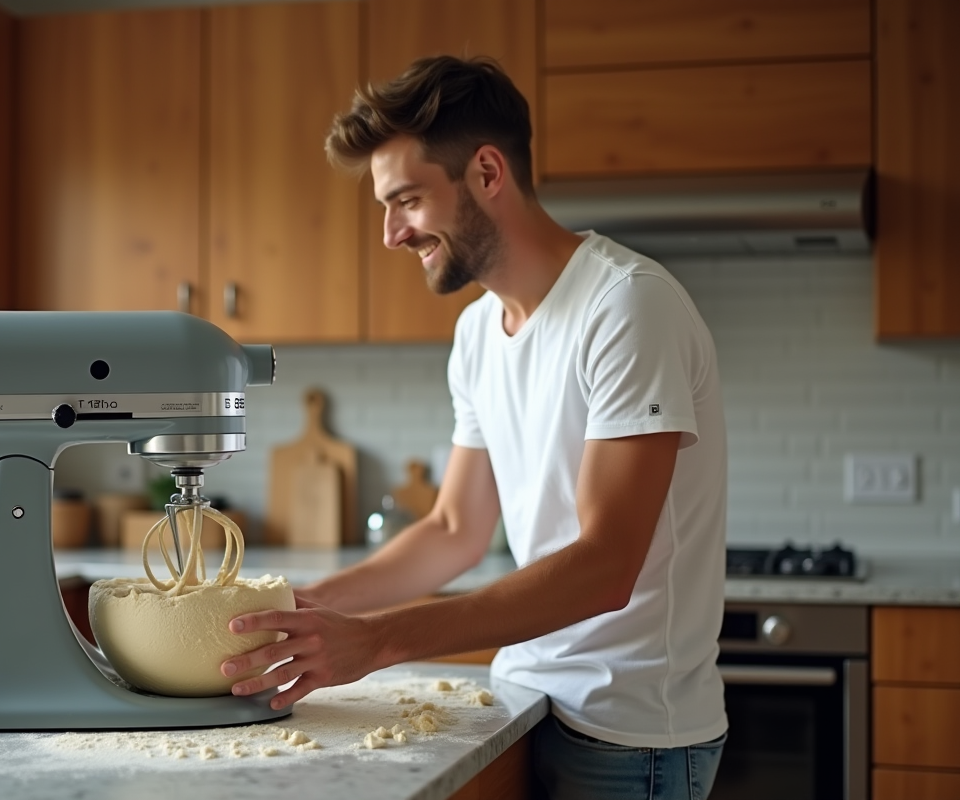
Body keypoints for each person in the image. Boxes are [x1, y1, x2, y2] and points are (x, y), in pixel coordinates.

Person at [219, 55, 728, 800]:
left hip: (629, 733)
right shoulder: (478, 332)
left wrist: (382, 638)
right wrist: (318, 605)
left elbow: (607, 564)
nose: (392, 233)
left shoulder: (625, 307)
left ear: (487, 173)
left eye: (408, 200)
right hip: (523, 702)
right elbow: (456, 526)